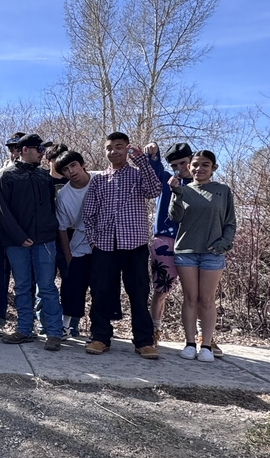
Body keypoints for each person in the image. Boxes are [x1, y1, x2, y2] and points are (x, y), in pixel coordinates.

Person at [81, 132, 162, 358]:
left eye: (118, 146)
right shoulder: (99, 179)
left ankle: (144, 341)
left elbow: (155, 190)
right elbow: (89, 214)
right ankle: (100, 337)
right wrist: (93, 240)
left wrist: (143, 162)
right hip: (104, 246)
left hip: (135, 245)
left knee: (138, 293)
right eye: (109, 147)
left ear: (127, 148)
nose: (113, 151)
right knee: (100, 292)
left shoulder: (138, 175)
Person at [0, 134, 64, 351]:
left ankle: (53, 332)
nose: (43, 153)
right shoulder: (5, 176)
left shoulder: (45, 176)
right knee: (23, 287)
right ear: (25, 150)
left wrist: (48, 232)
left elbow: (52, 209)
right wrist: (19, 237)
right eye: (39, 149)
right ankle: (24, 329)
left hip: (44, 241)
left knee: (47, 287)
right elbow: (3, 211)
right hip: (16, 243)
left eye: (43, 150)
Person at [143, 142, 215, 351]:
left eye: (183, 162)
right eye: (174, 165)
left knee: (199, 295)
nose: (180, 168)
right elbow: (154, 170)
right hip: (165, 239)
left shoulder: (202, 184)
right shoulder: (166, 179)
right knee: (161, 289)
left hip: (194, 242)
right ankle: (154, 331)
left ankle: (202, 337)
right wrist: (153, 154)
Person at [168, 150, 237, 362]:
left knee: (206, 300)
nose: (199, 169)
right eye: (195, 165)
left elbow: (230, 223)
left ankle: (206, 344)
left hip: (212, 254)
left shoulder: (223, 191)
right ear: (189, 167)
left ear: (213, 168)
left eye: (205, 165)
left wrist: (223, 245)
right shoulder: (183, 189)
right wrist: (176, 193)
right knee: (190, 298)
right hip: (186, 252)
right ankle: (189, 343)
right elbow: (175, 217)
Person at [0, 131, 26, 335]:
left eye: (18, 148)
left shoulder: (37, 174)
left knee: (26, 279)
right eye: (11, 149)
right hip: (2, 231)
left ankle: (26, 323)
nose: (14, 152)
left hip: (27, 233)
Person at [53, 150, 96, 340]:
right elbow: (62, 228)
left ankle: (99, 330)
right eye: (65, 169)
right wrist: (68, 255)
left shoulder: (101, 179)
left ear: (82, 164)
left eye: (73, 165)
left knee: (101, 288)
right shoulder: (63, 196)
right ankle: (65, 327)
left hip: (104, 245)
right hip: (78, 244)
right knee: (71, 286)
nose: (71, 171)